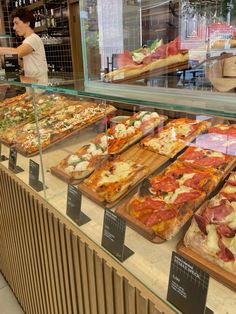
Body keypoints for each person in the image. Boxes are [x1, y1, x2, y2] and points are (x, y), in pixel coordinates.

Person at [0, 7, 48, 85]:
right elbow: (29, 65)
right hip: (33, 87)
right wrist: (15, 61)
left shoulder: (33, 38)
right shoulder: (28, 40)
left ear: (27, 23)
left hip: (39, 89)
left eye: (16, 23)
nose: (14, 27)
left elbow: (17, 52)